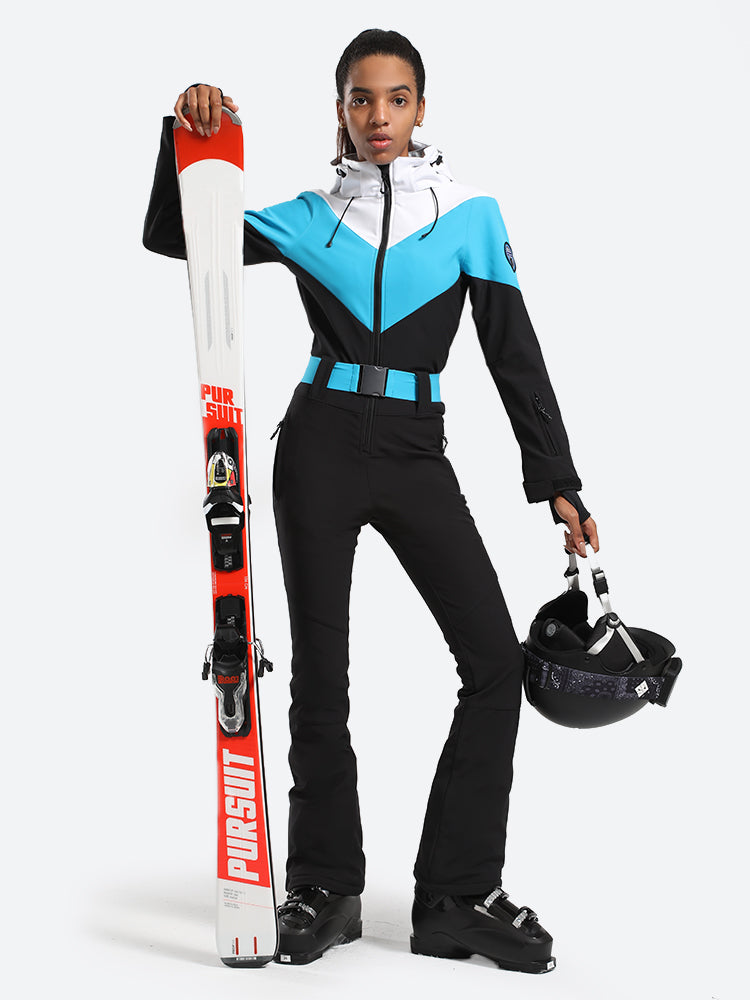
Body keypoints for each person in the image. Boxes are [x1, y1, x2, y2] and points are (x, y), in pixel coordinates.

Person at [144, 27, 599, 972]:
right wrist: (182, 137)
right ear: (341, 109)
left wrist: (556, 480)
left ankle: (457, 896)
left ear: (421, 108)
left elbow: (514, 353)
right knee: (321, 675)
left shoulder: (469, 215)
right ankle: (325, 888)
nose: (378, 116)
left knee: (493, 662)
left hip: (416, 449)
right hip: (318, 443)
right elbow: (178, 236)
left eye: (395, 99)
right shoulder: (311, 216)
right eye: (361, 98)